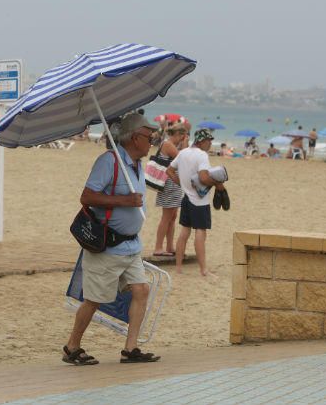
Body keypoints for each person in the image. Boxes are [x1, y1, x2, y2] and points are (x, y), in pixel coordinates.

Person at [63, 112, 160, 366]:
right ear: (135, 137)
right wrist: (124, 201)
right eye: (150, 136)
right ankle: (72, 346)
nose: (153, 141)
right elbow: (87, 196)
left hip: (131, 244)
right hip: (108, 245)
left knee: (141, 290)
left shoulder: (137, 164)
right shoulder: (110, 161)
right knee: (94, 299)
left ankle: (131, 349)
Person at [166, 129, 225, 276]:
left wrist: (182, 184)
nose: (210, 143)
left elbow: (169, 171)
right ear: (201, 141)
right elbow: (204, 178)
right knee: (200, 232)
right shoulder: (202, 155)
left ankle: (178, 268)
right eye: (208, 141)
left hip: (186, 197)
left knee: (184, 232)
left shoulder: (183, 152)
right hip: (200, 200)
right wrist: (218, 183)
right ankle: (203, 269)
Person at [152, 124, 187, 257]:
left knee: (172, 217)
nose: (182, 140)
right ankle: (158, 247)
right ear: (178, 134)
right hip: (168, 184)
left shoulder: (171, 145)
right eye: (182, 137)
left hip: (174, 184)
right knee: (166, 217)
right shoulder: (167, 144)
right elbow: (183, 159)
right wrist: (184, 144)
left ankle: (169, 246)